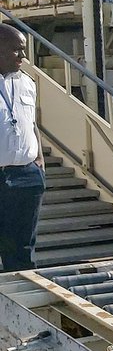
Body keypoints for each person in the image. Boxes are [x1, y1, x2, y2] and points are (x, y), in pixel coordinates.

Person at [0, 24, 44, 272]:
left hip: (26, 176)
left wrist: (39, 162)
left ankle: (21, 289)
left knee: (22, 249)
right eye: (17, 50)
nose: (23, 56)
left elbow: (32, 122)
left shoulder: (27, 82)